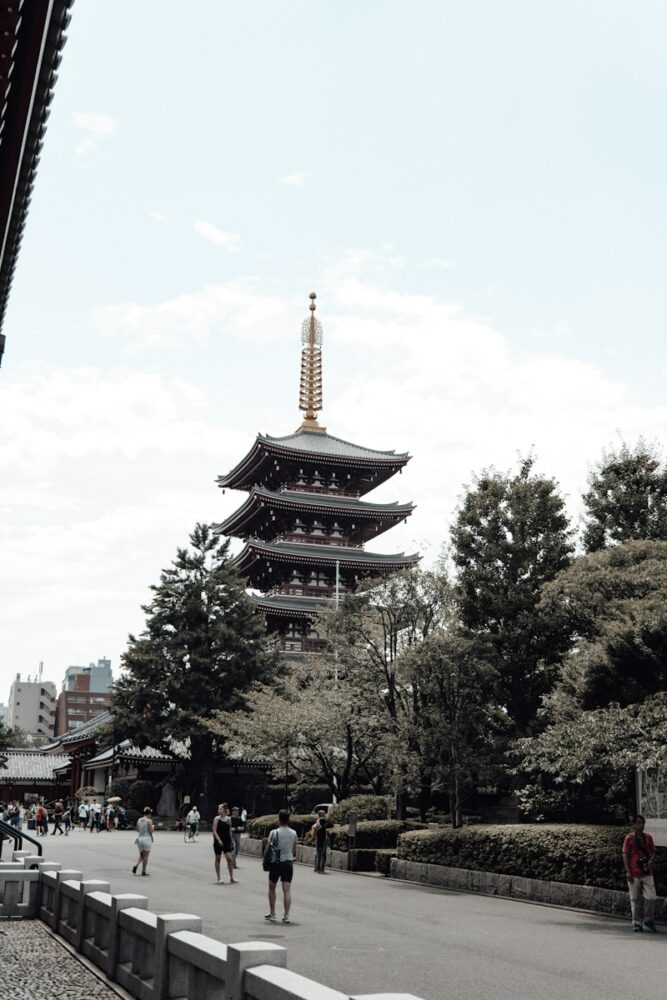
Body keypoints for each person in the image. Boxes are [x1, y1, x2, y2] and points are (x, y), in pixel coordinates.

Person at [622, 814, 657, 932]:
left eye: (642, 823)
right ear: (634, 824)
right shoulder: (629, 838)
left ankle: (648, 919)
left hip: (647, 872)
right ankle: (637, 922)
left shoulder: (648, 838)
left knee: (651, 897)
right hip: (633, 872)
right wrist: (627, 871)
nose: (641, 825)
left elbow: (652, 852)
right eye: (638, 823)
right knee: (635, 898)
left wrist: (650, 861)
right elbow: (625, 854)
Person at [264, 810, 297, 924]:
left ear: (279, 819)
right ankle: (286, 915)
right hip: (288, 862)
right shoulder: (293, 833)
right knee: (287, 890)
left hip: (276, 863)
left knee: (272, 887)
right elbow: (294, 850)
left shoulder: (273, 832)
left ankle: (273, 913)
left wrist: (265, 860)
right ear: (288, 820)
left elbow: (268, 848)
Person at [212, 803, 236, 884]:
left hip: (227, 841)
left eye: (220, 808)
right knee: (218, 859)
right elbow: (214, 830)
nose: (219, 810)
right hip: (218, 841)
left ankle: (232, 878)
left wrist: (232, 840)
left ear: (225, 810)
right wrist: (218, 840)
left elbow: (229, 831)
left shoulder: (229, 819)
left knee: (229, 858)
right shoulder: (216, 819)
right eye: (218, 808)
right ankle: (219, 878)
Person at [132, 807, 154, 876]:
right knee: (146, 856)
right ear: (149, 814)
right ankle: (143, 871)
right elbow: (151, 830)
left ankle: (136, 865)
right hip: (146, 839)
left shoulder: (139, 820)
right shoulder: (149, 821)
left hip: (139, 839)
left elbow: (137, 829)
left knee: (141, 855)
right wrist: (153, 827)